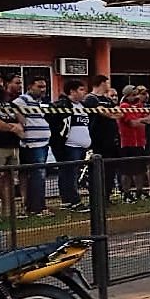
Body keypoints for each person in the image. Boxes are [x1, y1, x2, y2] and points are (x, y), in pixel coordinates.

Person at [49, 79, 91, 212]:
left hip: (81, 147)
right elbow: (54, 123)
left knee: (72, 173)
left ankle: (68, 200)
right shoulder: (62, 105)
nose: (84, 92)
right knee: (69, 173)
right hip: (69, 146)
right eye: (81, 89)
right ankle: (72, 200)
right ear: (72, 91)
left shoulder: (83, 106)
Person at [14, 76, 51, 217]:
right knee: (38, 175)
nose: (43, 89)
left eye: (44, 87)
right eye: (39, 87)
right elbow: (14, 110)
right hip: (33, 144)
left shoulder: (39, 103)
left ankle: (34, 205)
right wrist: (22, 125)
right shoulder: (23, 100)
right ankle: (37, 207)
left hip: (42, 143)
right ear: (30, 87)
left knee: (38, 175)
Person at [0, 72, 24, 218]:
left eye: (0, 81)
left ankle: (8, 212)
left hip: (13, 145)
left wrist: (17, 124)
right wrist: (12, 127)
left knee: (10, 180)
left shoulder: (10, 103)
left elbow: (22, 121)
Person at [84, 74, 120, 202]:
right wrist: (110, 113)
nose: (108, 86)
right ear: (102, 83)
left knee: (110, 170)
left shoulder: (108, 100)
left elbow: (118, 113)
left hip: (112, 140)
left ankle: (106, 196)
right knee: (97, 171)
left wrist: (110, 113)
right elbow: (105, 113)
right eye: (107, 83)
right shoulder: (90, 99)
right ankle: (96, 198)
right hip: (98, 140)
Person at [116, 86, 150, 203]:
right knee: (126, 171)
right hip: (127, 143)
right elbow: (132, 123)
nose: (137, 97)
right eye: (134, 94)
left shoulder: (139, 106)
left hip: (140, 142)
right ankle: (126, 193)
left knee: (140, 170)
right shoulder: (124, 107)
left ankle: (139, 191)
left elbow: (146, 118)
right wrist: (145, 120)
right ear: (127, 96)